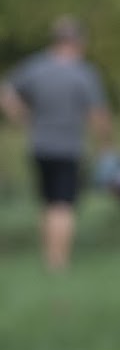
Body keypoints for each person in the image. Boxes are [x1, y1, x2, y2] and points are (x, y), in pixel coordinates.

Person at [0, 16, 113, 270]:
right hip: (69, 148)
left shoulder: (35, 67)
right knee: (63, 205)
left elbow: (5, 92)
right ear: (78, 42)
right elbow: (98, 113)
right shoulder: (83, 72)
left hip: (39, 145)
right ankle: (58, 260)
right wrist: (105, 144)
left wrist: (22, 117)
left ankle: (48, 254)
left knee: (48, 202)